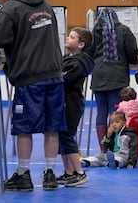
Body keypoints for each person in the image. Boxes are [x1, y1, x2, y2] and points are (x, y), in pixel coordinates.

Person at [0, 0, 66, 191]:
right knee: (52, 127)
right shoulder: (45, 2)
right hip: (54, 74)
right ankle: (50, 174)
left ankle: (23, 174)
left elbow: (1, 40)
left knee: (24, 128)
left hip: (29, 76)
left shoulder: (10, 8)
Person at [88, 8, 138, 154]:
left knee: (101, 112)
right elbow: (132, 54)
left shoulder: (93, 33)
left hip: (98, 77)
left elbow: (88, 54)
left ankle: (104, 149)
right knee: (115, 112)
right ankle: (116, 148)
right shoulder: (124, 30)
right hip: (118, 77)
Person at [56, 27, 94, 187]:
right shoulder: (67, 59)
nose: (67, 38)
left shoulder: (78, 64)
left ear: (81, 44)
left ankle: (79, 172)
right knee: (61, 137)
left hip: (70, 103)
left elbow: (62, 80)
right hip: (63, 102)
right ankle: (69, 172)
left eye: (72, 37)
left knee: (67, 135)